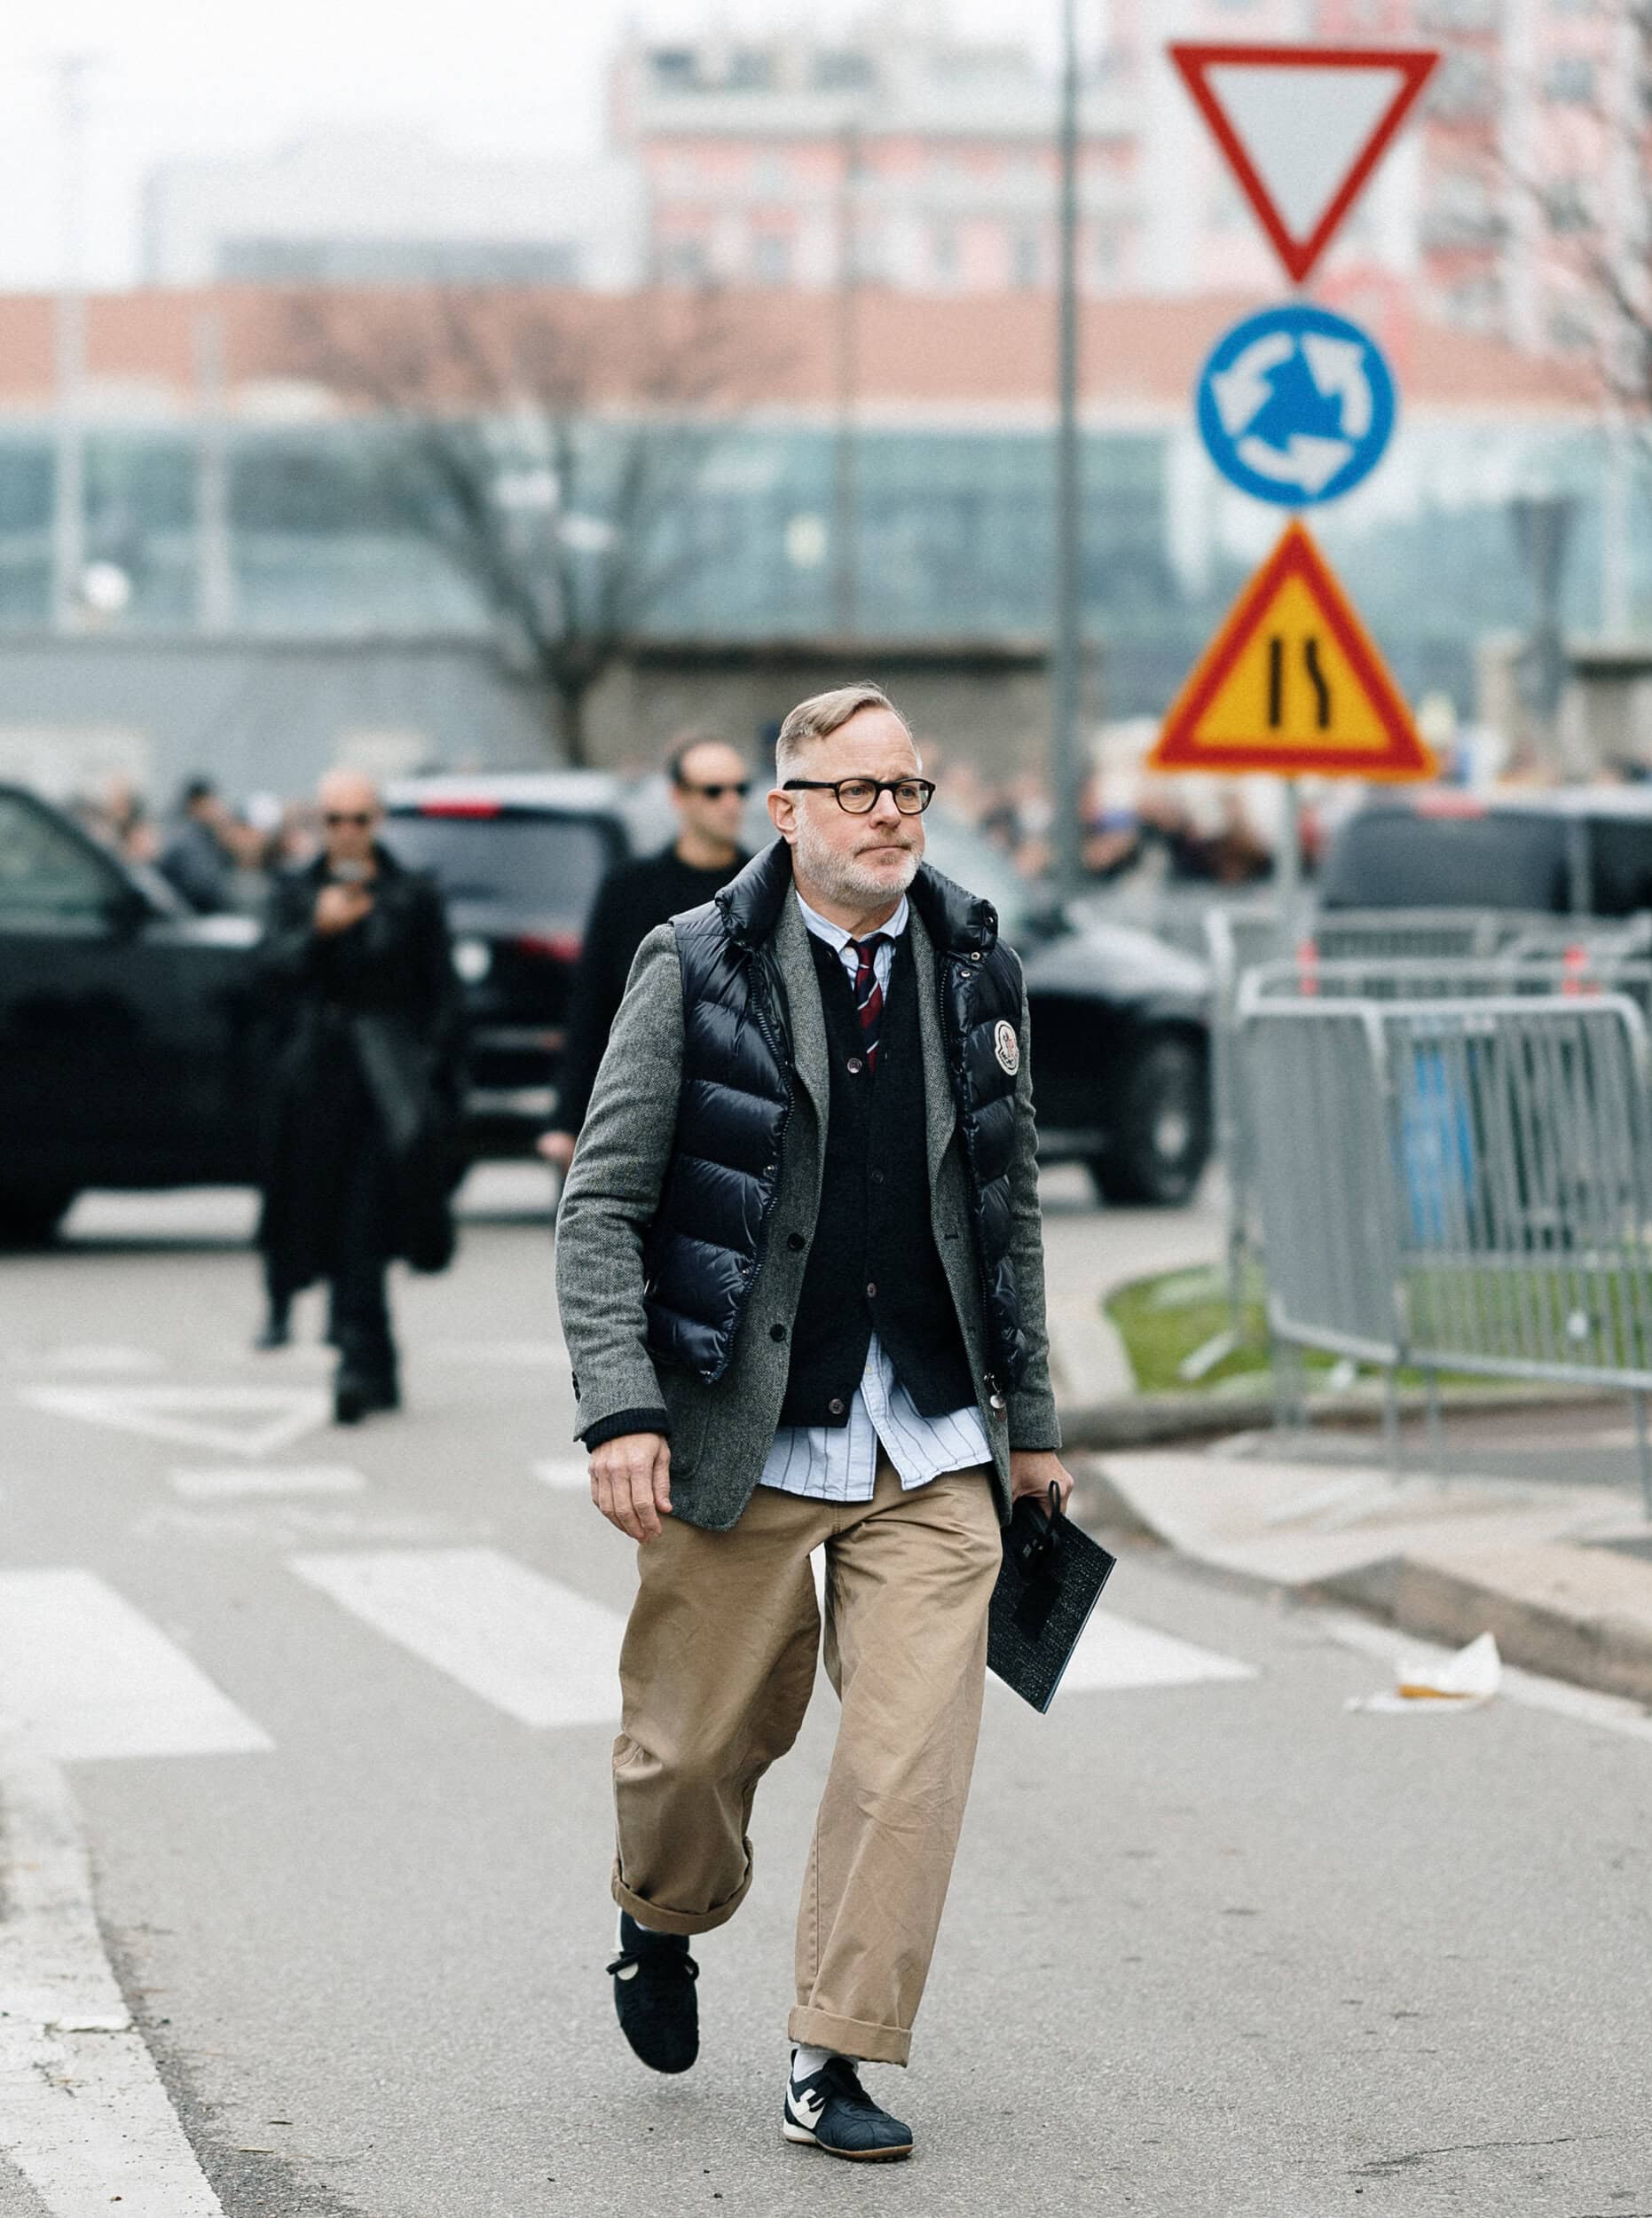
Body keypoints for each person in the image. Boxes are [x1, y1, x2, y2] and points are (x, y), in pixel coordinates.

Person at [555, 683, 1070, 2164]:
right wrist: (621, 1408)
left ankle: (831, 2051)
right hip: (744, 1432)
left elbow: (1005, 1204)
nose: (893, 817)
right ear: (786, 812)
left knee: (905, 1764)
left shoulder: (976, 964)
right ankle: (658, 1916)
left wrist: (1028, 1422)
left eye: (908, 790)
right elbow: (602, 1205)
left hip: (928, 1438)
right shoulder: (694, 962)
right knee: (689, 1759)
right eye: (860, 793)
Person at [255, 769, 463, 1423]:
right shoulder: (296, 890)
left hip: (388, 1082)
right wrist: (317, 930)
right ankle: (373, 1357)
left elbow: (443, 994)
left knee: (365, 1218)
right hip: (315, 1079)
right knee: (315, 1212)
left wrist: (435, 1077)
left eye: (359, 820)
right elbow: (263, 978)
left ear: (377, 822)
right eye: (333, 820)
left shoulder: (411, 893)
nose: (346, 833)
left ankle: (353, 1351)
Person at [536, 732, 751, 1172]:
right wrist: (566, 1119)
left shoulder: (762, 889)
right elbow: (592, 1005)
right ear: (679, 797)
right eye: (713, 791)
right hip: (641, 1096)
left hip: (737, 1104)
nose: (730, 802)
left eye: (740, 789)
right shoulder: (629, 889)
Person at [157, 776, 239, 915]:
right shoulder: (189, 837)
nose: (217, 809)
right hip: (189, 915)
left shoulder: (177, 830)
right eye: (212, 803)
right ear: (198, 803)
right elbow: (202, 885)